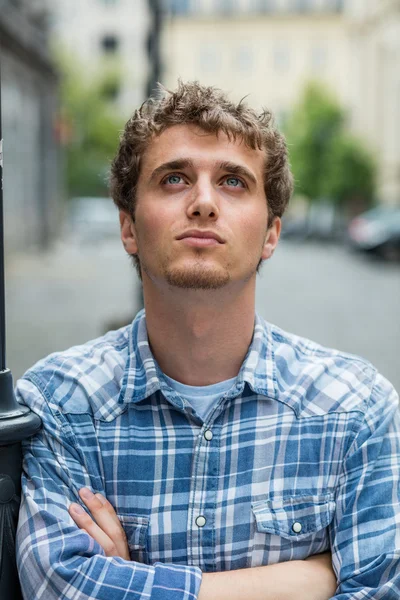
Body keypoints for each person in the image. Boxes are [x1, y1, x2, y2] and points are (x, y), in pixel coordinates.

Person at [16, 81, 400, 600]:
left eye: (234, 182)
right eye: (174, 178)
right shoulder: (59, 402)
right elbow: (58, 587)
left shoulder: (357, 408)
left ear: (271, 233)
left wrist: (132, 582)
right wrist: (307, 580)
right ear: (128, 227)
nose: (202, 203)